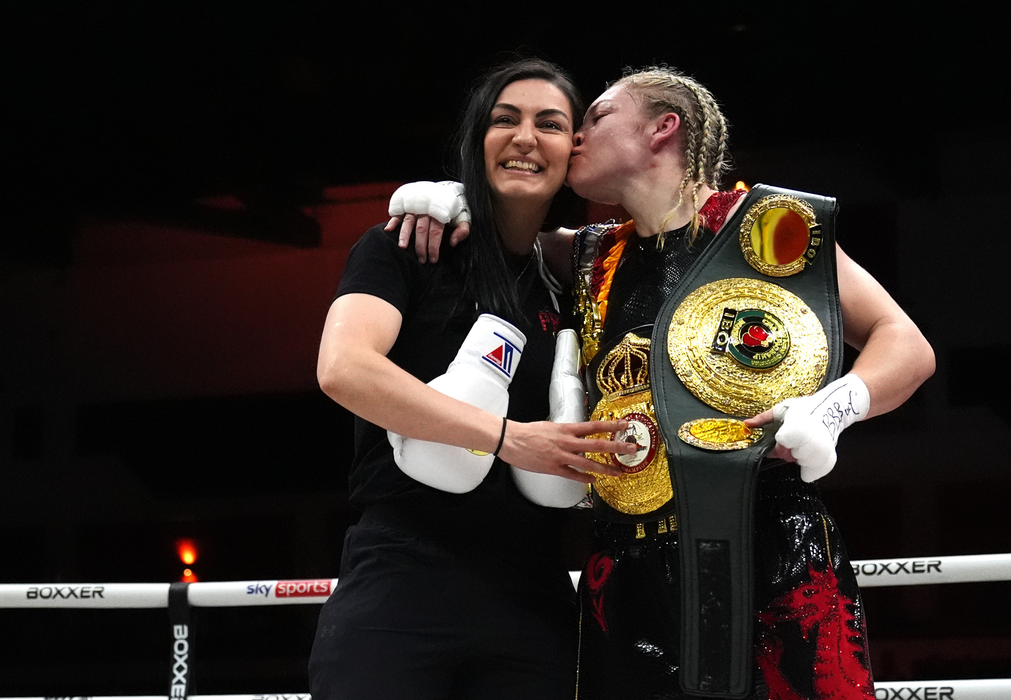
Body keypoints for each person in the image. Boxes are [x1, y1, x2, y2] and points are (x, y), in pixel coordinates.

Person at [394, 66, 935, 699]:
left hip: (767, 544)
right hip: (624, 568)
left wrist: (831, 408)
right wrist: (462, 199)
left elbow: (907, 344)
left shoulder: (771, 225)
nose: (573, 140)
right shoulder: (589, 255)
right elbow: (507, 236)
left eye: (594, 119)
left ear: (662, 128)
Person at [308, 58, 635, 700]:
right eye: (503, 119)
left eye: (549, 123)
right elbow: (343, 369)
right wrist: (507, 438)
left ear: (574, 150)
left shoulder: (579, 277)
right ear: (475, 140)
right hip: (404, 576)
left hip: (533, 592)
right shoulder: (408, 245)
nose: (523, 137)